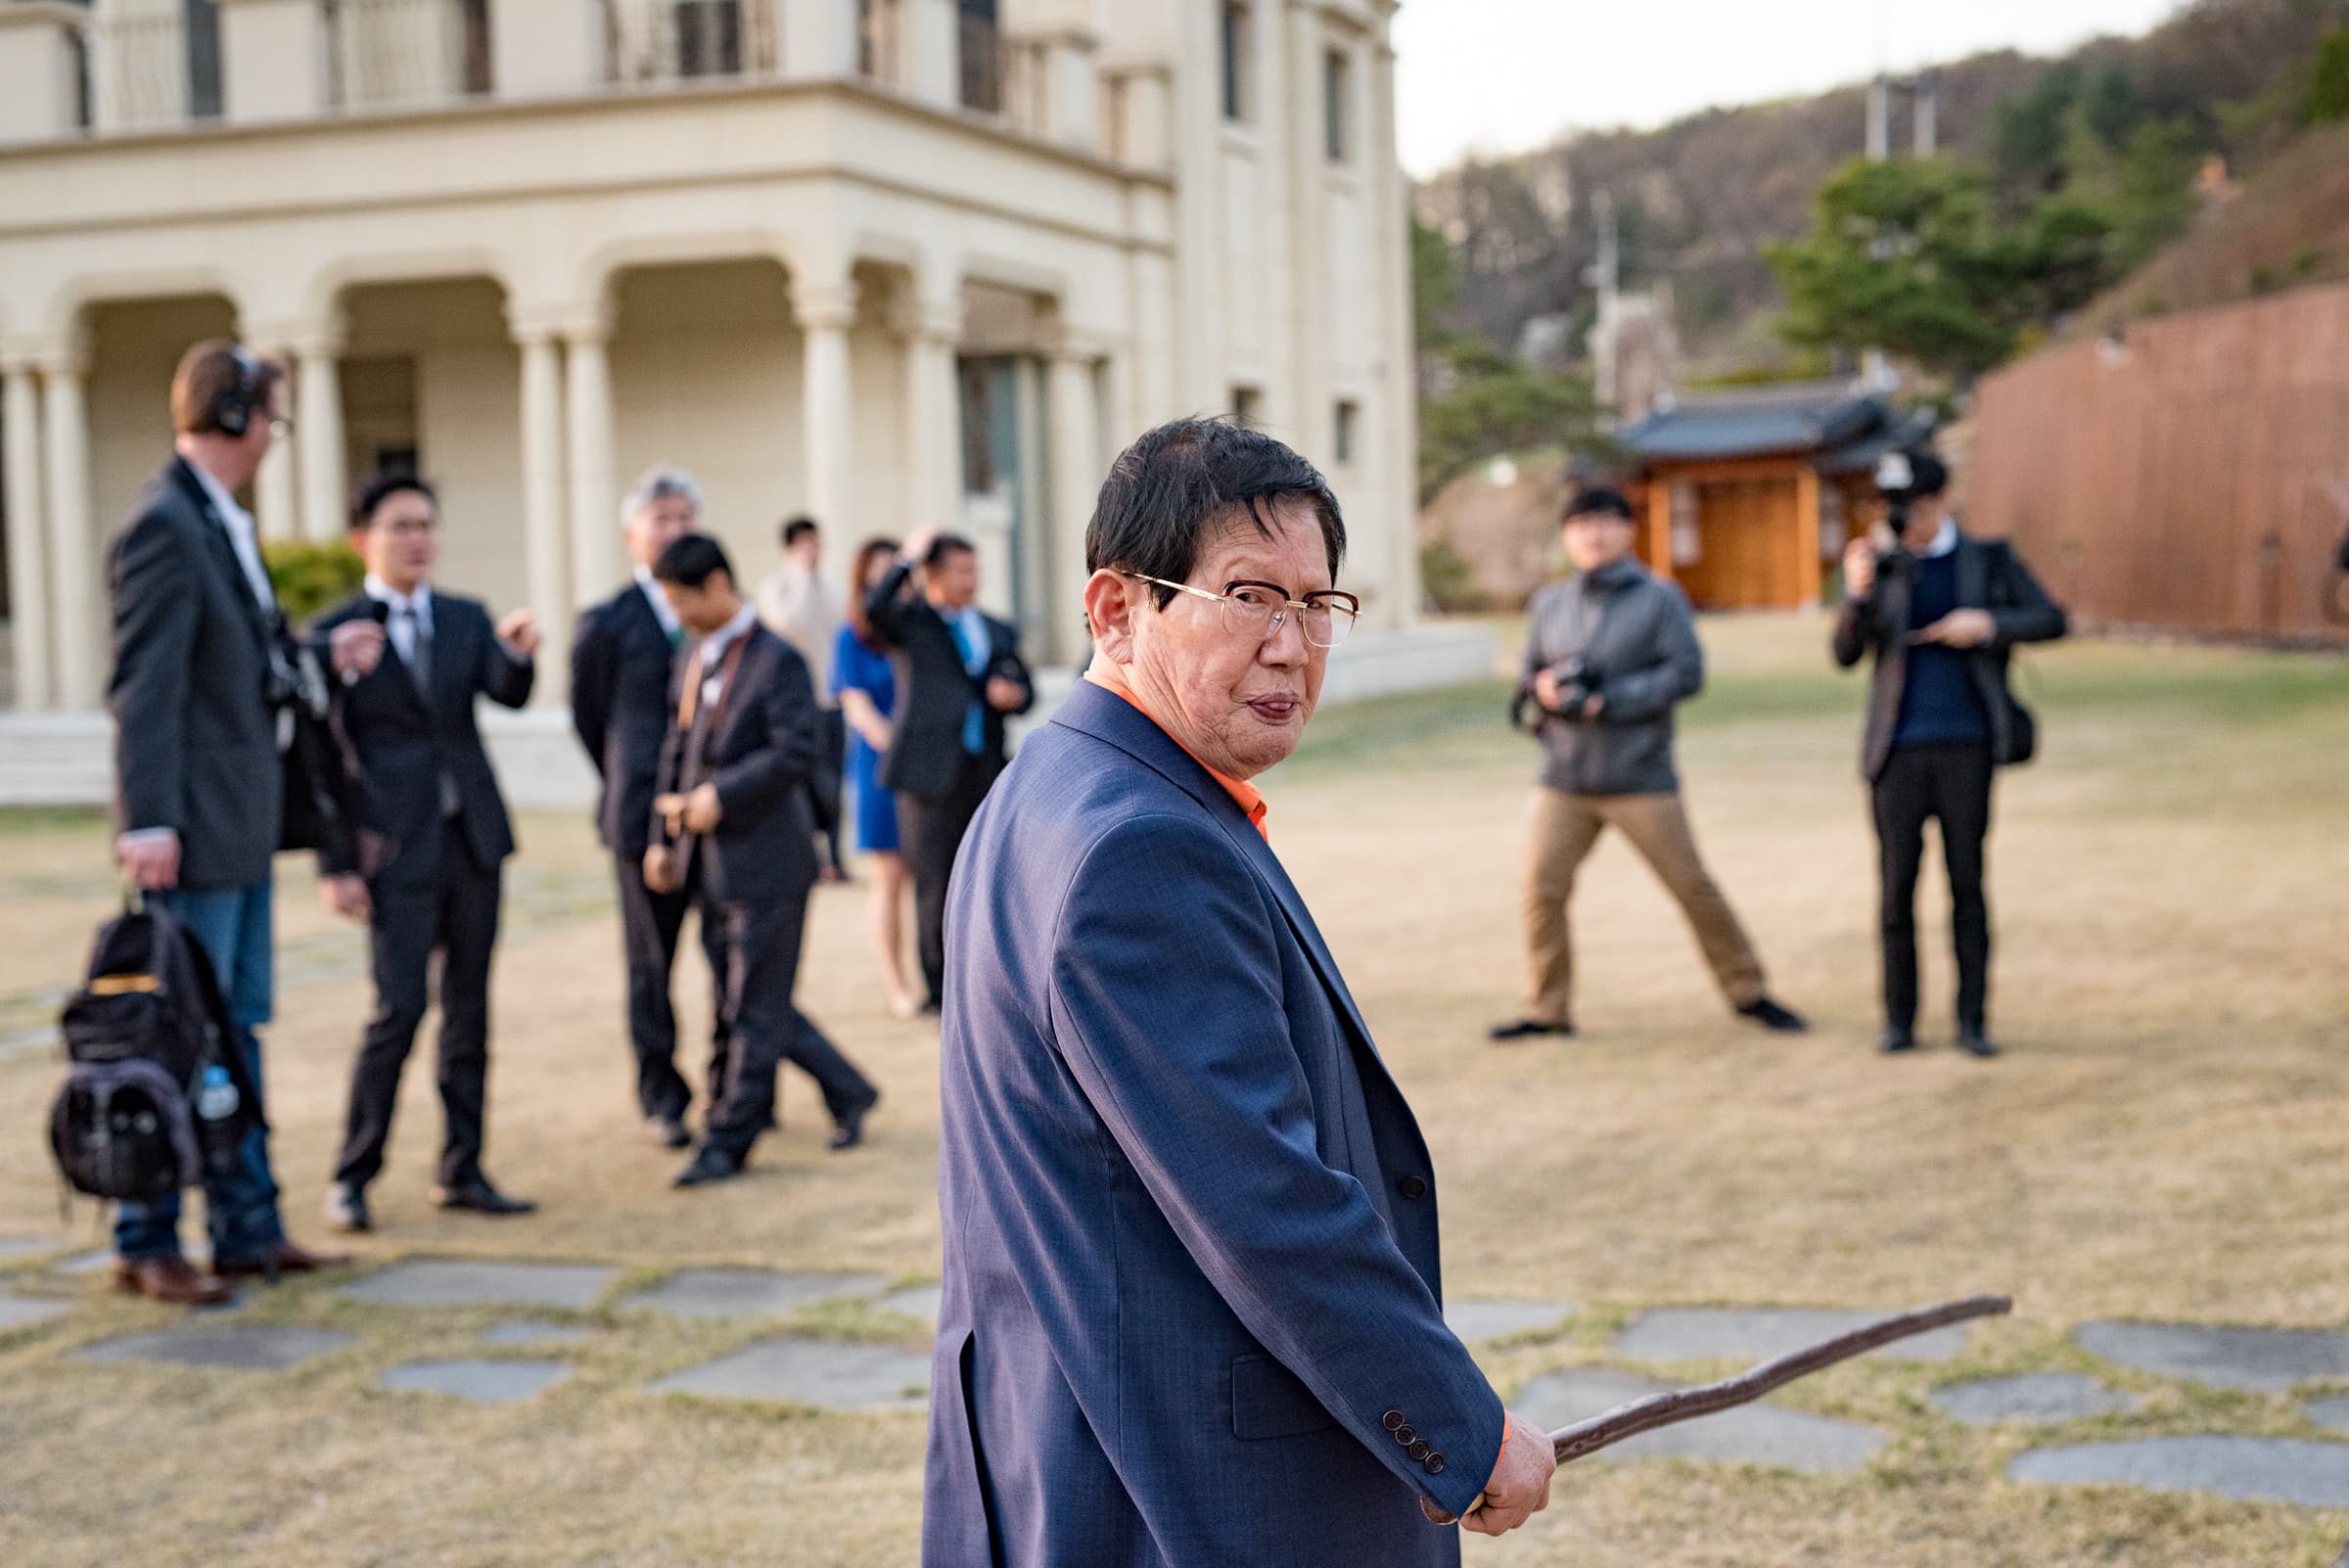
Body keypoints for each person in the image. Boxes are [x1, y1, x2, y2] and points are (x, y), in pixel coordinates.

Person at [924, 418, 1556, 1567]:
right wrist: (1459, 1433)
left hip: (1071, 1444)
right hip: (1178, 1489)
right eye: (1250, 595)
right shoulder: (1136, 848)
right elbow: (1265, 1205)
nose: (1295, 644)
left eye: (1319, 606)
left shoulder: (1057, 782)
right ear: (1117, 609)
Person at [106, 339, 364, 1304]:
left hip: (242, 825)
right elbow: (145, 685)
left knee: (237, 1030)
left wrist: (323, 653)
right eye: (270, 418)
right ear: (234, 419)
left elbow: (243, 660)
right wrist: (149, 820)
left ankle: (248, 1226)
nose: (271, 439)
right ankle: (147, 1235)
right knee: (173, 1033)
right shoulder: (164, 527)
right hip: (191, 830)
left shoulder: (223, 524)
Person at [1489, 486, 1808, 1043]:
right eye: (1582, 524)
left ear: (1627, 530)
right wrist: (1541, 690)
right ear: (1567, 535)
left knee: (1692, 886)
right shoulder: (1550, 604)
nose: (1593, 534)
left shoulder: (1660, 599)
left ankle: (1749, 992)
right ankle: (1547, 1009)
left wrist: (1610, 698)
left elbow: (1687, 673)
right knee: (1541, 890)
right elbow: (1528, 677)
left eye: (1606, 522)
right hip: (1564, 776)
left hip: (1640, 775)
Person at [313, 472, 540, 1232]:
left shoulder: (463, 617)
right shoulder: (334, 634)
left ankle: (462, 1167)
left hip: (472, 842)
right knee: (399, 1010)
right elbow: (322, 759)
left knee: (469, 1013)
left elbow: (506, 692)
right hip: (391, 851)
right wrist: (336, 864)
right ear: (363, 541)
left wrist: (520, 655)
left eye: (426, 525)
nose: (417, 539)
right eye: (400, 526)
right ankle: (353, 1174)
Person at [645, 534, 881, 1184]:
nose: (678, 616)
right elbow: (677, 745)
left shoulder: (777, 660)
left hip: (770, 862)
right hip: (705, 861)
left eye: (682, 601)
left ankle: (727, 1139)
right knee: (747, 998)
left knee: (752, 1005)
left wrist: (722, 794)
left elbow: (796, 751)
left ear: (718, 584)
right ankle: (848, 1088)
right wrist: (661, 838)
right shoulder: (692, 655)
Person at [1834, 449, 2067, 1058]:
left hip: (1966, 746)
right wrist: (1856, 596)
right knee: (1895, 891)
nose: (1902, 521)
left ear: (1941, 501)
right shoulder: (1881, 565)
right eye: (1893, 509)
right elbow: (1844, 654)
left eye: (1912, 507)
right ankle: (1899, 1020)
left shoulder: (1985, 559)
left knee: (1967, 884)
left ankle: (1973, 1020)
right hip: (1896, 751)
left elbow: (2050, 617)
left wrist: (1985, 623)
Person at [571, 467, 725, 1150]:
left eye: (685, 518)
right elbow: (587, 716)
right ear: (632, 535)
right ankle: (663, 1097)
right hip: (640, 819)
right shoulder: (608, 622)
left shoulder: (721, 621)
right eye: (661, 519)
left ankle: (734, 1089)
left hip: (714, 815)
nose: (674, 530)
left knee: (730, 959)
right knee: (649, 967)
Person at [861, 531, 1034, 1014]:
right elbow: (872, 608)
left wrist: (1014, 692)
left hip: (988, 769)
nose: (971, 580)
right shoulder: (912, 623)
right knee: (935, 882)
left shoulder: (996, 628)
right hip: (930, 773)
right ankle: (942, 992)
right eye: (960, 571)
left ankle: (993, 980)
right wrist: (907, 558)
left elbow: (1024, 683)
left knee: (995, 877)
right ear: (932, 576)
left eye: (974, 570)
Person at [831, 536, 920, 1018]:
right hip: (881, 768)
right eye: (882, 568)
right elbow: (856, 705)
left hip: (921, 767)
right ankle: (896, 983)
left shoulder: (914, 628)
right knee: (888, 876)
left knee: (926, 874)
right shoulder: (851, 635)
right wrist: (900, 745)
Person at [755, 514, 849, 883]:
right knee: (804, 784)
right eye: (808, 543)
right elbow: (787, 624)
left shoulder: (832, 589)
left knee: (833, 785)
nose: (815, 551)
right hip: (797, 704)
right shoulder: (776, 589)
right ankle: (812, 857)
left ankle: (836, 858)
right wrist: (802, 577)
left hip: (830, 702)